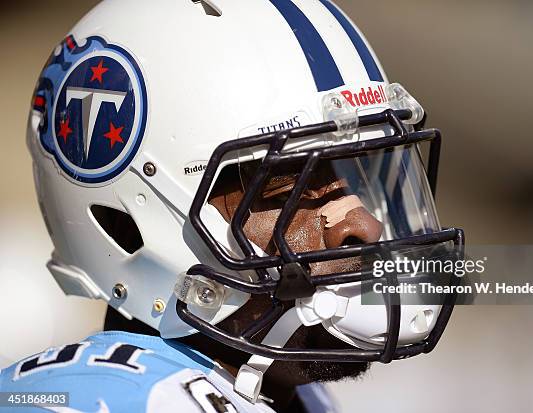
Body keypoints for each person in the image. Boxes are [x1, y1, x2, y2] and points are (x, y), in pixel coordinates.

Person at [0, 0, 464, 411]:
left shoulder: (278, 391)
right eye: (286, 181)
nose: (365, 223)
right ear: (130, 221)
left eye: (360, 172)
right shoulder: (108, 399)